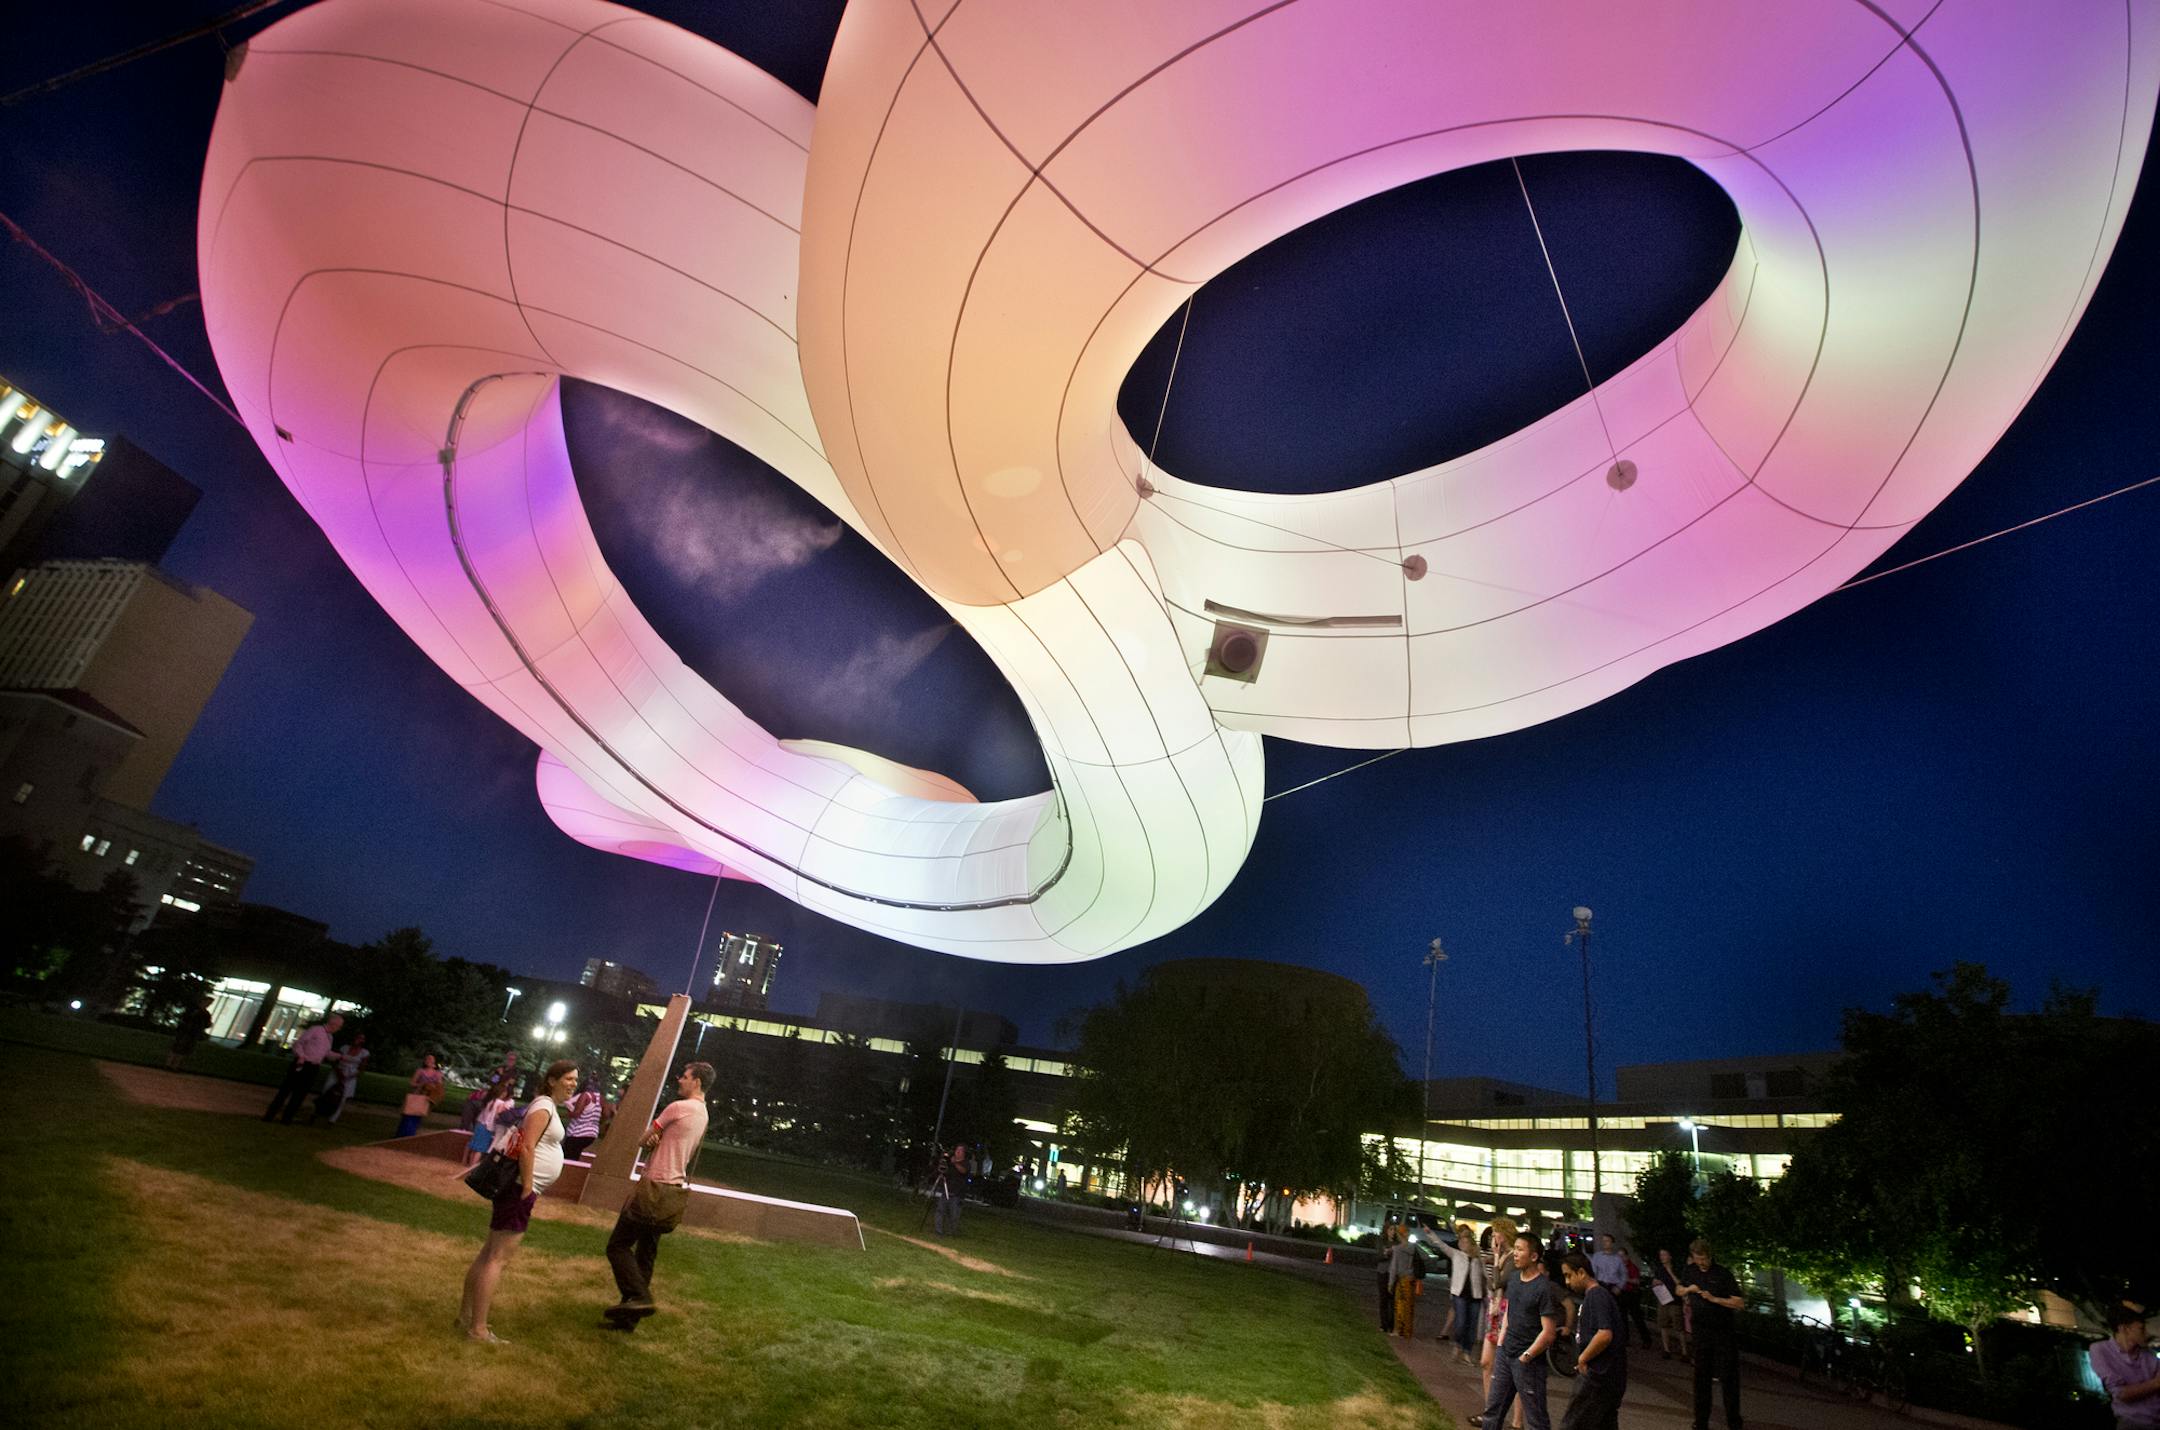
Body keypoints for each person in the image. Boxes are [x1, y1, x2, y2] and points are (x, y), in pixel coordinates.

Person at [457, 1057, 576, 1343]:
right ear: (552, 1080)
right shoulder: (543, 1106)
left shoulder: (547, 1106)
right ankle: (478, 1328)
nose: (574, 1084)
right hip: (519, 1189)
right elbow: (526, 1147)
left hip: (519, 1188)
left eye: (576, 1079)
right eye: (568, 1078)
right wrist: (528, 1186)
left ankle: (465, 1317)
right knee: (497, 1258)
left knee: (489, 1253)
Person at [603, 1062, 713, 1329]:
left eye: (685, 1077)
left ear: (697, 1082)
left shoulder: (678, 1107)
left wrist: (651, 1139)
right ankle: (629, 1318)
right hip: (672, 1189)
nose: (680, 1080)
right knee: (646, 1252)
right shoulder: (703, 1114)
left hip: (653, 1186)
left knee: (617, 1245)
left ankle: (640, 1296)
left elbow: (643, 1139)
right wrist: (658, 1141)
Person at [1469, 1232, 1564, 1430]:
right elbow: (1509, 1312)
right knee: (1493, 1411)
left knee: (1536, 1418)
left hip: (1528, 1362)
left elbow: (1548, 1332)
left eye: (1520, 1250)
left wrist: (1526, 1356)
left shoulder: (1543, 1288)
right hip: (1506, 1353)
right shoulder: (1514, 1279)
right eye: (1515, 1249)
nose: (1516, 1254)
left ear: (1534, 1256)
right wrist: (1501, 1343)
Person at [1676, 1238, 1746, 1429]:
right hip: (1700, 1332)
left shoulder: (1723, 1274)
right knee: (1701, 1377)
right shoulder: (1690, 1271)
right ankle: (1701, 1422)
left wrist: (1715, 1299)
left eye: (1704, 1259)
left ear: (1710, 1255)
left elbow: (1739, 1303)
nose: (1701, 1262)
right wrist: (1688, 1289)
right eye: (1697, 1259)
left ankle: (1734, 1422)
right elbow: (1679, 1289)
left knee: (1729, 1377)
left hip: (1723, 1332)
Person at [1560, 1250, 1627, 1430]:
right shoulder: (1598, 1295)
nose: (1567, 1282)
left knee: (1573, 1424)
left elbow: (1604, 1334)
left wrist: (1583, 1358)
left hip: (1598, 1376)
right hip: (1608, 1378)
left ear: (1581, 1272)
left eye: (1569, 1275)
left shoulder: (1597, 1295)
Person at [261, 1012, 342, 1123]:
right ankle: (270, 1115)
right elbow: (299, 1043)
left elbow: (326, 1053)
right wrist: (301, 1056)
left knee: (300, 1093)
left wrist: (340, 1056)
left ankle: (287, 1118)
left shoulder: (329, 1037)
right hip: (303, 1063)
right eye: (338, 1026)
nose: (338, 1029)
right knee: (286, 1090)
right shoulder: (316, 1030)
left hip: (314, 1066)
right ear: (333, 1024)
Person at [2092, 1303, 2160, 1427]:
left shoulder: (2149, 1355)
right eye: (2141, 1329)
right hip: (2131, 1424)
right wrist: (2155, 1383)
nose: (2146, 1333)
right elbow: (2121, 1394)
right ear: (2124, 1328)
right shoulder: (2101, 1350)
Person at [1431, 1221, 1488, 1364]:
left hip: (1475, 1295)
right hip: (1460, 1293)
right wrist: (1430, 1234)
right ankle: (1457, 1344)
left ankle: (1466, 1351)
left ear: (1471, 1244)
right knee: (1461, 1321)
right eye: (1461, 1241)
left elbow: (1484, 1275)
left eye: (1465, 1242)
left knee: (1472, 1325)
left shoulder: (1477, 1259)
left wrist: (1489, 1286)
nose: (1462, 1244)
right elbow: (1441, 1245)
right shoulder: (1456, 1254)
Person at [310, 1031, 368, 1123]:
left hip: (350, 1075)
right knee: (326, 1092)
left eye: (361, 1038)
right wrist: (338, 1072)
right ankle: (317, 1113)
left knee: (342, 1097)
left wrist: (349, 1076)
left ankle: (332, 1118)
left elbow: (362, 1068)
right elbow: (335, 1060)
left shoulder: (364, 1053)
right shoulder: (344, 1048)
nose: (359, 1040)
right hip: (338, 1071)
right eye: (358, 1037)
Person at [463, 1075, 518, 1169]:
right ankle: (471, 1168)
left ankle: (469, 1165)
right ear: (503, 1093)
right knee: (480, 1150)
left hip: (480, 1125)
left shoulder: (490, 1101)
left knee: (475, 1148)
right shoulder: (501, 1103)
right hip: (487, 1128)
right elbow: (498, 1115)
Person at [1652, 1247, 1688, 1360]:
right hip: (1663, 1300)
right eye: (1661, 1255)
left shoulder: (1677, 1269)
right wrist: (1655, 1283)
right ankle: (1666, 1349)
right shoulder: (1659, 1269)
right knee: (1663, 1325)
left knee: (1679, 1327)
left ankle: (1684, 1351)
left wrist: (1670, 1272)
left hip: (1675, 1301)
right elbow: (1654, 1282)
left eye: (1664, 1255)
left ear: (1670, 1256)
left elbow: (1680, 1283)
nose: (1662, 1257)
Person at [396, 1054, 445, 1138]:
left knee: (418, 1115)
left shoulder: (437, 1073)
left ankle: (410, 1134)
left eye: (431, 1059)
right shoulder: (420, 1071)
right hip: (416, 1095)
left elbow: (439, 1087)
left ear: (434, 1062)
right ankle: (402, 1134)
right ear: (425, 1061)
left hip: (426, 1097)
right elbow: (412, 1083)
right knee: (409, 1114)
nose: (429, 1061)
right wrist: (421, 1084)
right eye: (427, 1059)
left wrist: (432, 1086)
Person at [561, 1078, 607, 1161]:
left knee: (567, 1157)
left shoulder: (585, 1095)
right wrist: (595, 1122)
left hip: (577, 1133)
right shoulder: (601, 1098)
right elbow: (605, 1115)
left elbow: (576, 1114)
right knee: (575, 1155)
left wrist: (567, 1112)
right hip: (592, 1134)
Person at [1388, 1227, 1422, 1339]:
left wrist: (1390, 1283)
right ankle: (1408, 1331)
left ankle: (1398, 1330)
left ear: (1399, 1235)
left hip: (1402, 1279)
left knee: (1399, 1305)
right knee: (1409, 1306)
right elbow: (1423, 1258)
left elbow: (1394, 1267)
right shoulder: (1413, 1248)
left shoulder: (1397, 1249)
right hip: (1411, 1279)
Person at [166, 996, 214, 1069]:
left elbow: (207, 1024)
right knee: (178, 1047)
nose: (208, 1004)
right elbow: (186, 1018)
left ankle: (174, 1065)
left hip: (192, 1033)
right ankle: (170, 1064)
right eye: (208, 1003)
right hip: (187, 1031)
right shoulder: (197, 1011)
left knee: (183, 1049)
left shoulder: (204, 1013)